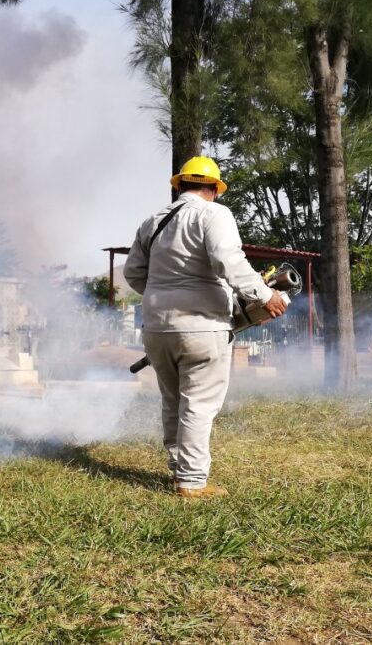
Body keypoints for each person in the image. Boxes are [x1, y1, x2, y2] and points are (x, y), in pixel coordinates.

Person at [123, 156, 287, 498]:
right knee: (198, 403)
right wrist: (265, 294)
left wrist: (164, 297)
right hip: (203, 327)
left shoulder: (153, 221)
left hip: (156, 327)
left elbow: (134, 274)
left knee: (172, 400)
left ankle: (177, 468)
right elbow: (229, 261)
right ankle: (192, 482)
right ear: (213, 189)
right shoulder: (214, 213)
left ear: (179, 185)